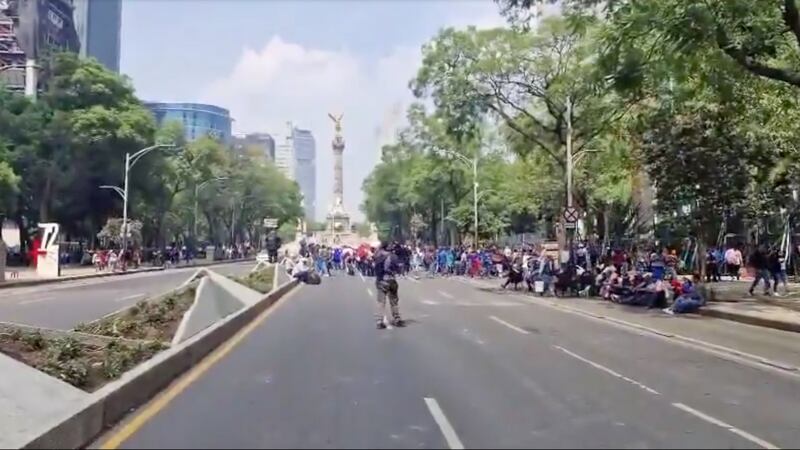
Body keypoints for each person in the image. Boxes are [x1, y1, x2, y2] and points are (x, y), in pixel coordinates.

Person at [373, 241, 404, 329]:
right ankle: (397, 318)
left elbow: (374, 265)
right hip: (391, 280)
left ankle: (380, 321)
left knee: (381, 302)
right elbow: (399, 269)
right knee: (394, 301)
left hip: (381, 280)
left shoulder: (378, 256)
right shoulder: (393, 256)